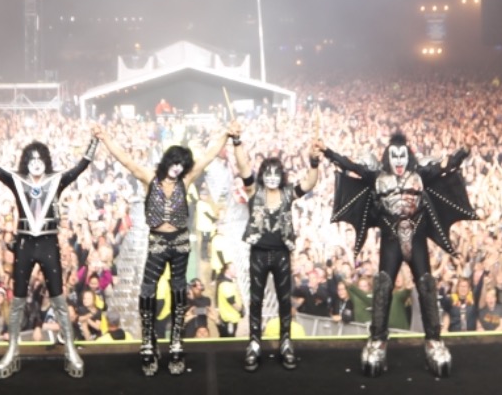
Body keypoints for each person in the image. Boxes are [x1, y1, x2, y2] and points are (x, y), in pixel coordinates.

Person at [322, 131, 476, 377]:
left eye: (402, 156)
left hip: (417, 237)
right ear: (387, 157)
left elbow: (445, 166)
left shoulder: (420, 174)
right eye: (394, 156)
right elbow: (351, 166)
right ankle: (378, 339)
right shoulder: (378, 176)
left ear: (409, 156)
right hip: (391, 238)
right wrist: (327, 152)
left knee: (426, 285)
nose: (399, 161)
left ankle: (433, 339)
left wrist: (464, 150)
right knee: (383, 286)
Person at [98, 120, 237, 376]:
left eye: (181, 164)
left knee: (179, 292)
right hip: (158, 242)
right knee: (147, 291)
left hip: (180, 242)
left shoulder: (186, 180)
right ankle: (148, 342)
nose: (177, 168)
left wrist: (226, 135)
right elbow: (127, 161)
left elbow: (207, 157)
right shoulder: (150, 179)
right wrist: (105, 138)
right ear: (166, 162)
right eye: (174, 163)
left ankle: (176, 344)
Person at [0, 126, 97, 379]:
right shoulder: (17, 180)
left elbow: (81, 166)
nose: (36, 163)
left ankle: (70, 349)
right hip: (25, 244)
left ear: (46, 161)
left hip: (48, 243)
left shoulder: (56, 180)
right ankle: (12, 350)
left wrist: (95, 141)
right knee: (17, 300)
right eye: (32, 159)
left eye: (40, 159)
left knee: (59, 298)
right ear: (25, 162)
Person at [230, 134, 322, 370]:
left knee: (284, 301)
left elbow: (309, 183)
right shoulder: (254, 191)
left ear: (282, 176)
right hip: (258, 254)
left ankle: (285, 343)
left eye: (276, 173)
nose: (271, 178)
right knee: (256, 301)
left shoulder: (288, 193)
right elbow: (243, 167)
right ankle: (254, 344)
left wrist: (314, 162)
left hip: (281, 254)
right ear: (263, 174)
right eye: (268, 173)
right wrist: (237, 142)